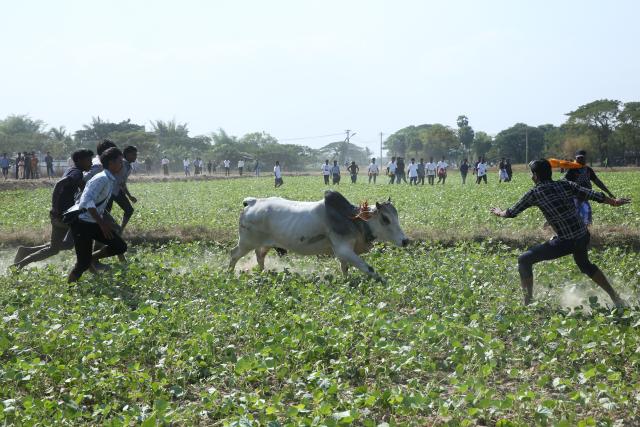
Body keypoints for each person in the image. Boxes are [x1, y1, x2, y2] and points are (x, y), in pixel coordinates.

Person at [490, 159, 630, 307]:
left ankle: (528, 302)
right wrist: (614, 202)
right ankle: (615, 298)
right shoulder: (565, 184)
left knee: (524, 260)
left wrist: (499, 212)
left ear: (535, 176)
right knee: (585, 265)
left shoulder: (535, 193)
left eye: (532, 174)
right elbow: (593, 194)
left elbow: (511, 212)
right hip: (582, 235)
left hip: (566, 241)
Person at [12, 149, 94, 269]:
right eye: (89, 160)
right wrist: (55, 207)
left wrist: (82, 187)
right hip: (65, 215)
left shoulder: (72, 170)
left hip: (60, 214)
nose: (91, 163)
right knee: (68, 244)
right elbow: (60, 184)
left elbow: (73, 184)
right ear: (80, 161)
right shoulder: (77, 173)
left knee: (55, 248)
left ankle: (23, 255)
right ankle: (88, 267)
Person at [66, 147, 128, 283]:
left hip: (93, 222)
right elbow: (86, 200)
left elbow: (96, 202)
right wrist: (102, 223)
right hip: (82, 224)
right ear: (111, 163)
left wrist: (104, 221)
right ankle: (69, 290)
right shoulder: (102, 178)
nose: (122, 164)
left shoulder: (109, 178)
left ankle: (91, 258)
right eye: (119, 161)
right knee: (82, 265)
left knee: (120, 246)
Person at [563, 150, 615, 226]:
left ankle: (587, 231)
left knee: (586, 213)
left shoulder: (588, 170)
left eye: (582, 158)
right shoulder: (572, 170)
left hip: (585, 196)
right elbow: (565, 182)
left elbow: (597, 181)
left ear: (585, 158)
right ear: (576, 158)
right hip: (575, 197)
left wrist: (608, 192)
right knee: (581, 213)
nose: (580, 160)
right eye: (578, 158)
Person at [106, 145, 138, 230]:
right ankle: (112, 230)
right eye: (133, 154)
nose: (135, 156)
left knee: (129, 210)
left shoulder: (129, 166)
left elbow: (122, 182)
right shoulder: (120, 163)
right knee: (105, 213)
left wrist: (129, 196)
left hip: (117, 191)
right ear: (127, 154)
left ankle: (120, 230)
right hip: (108, 191)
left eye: (136, 154)